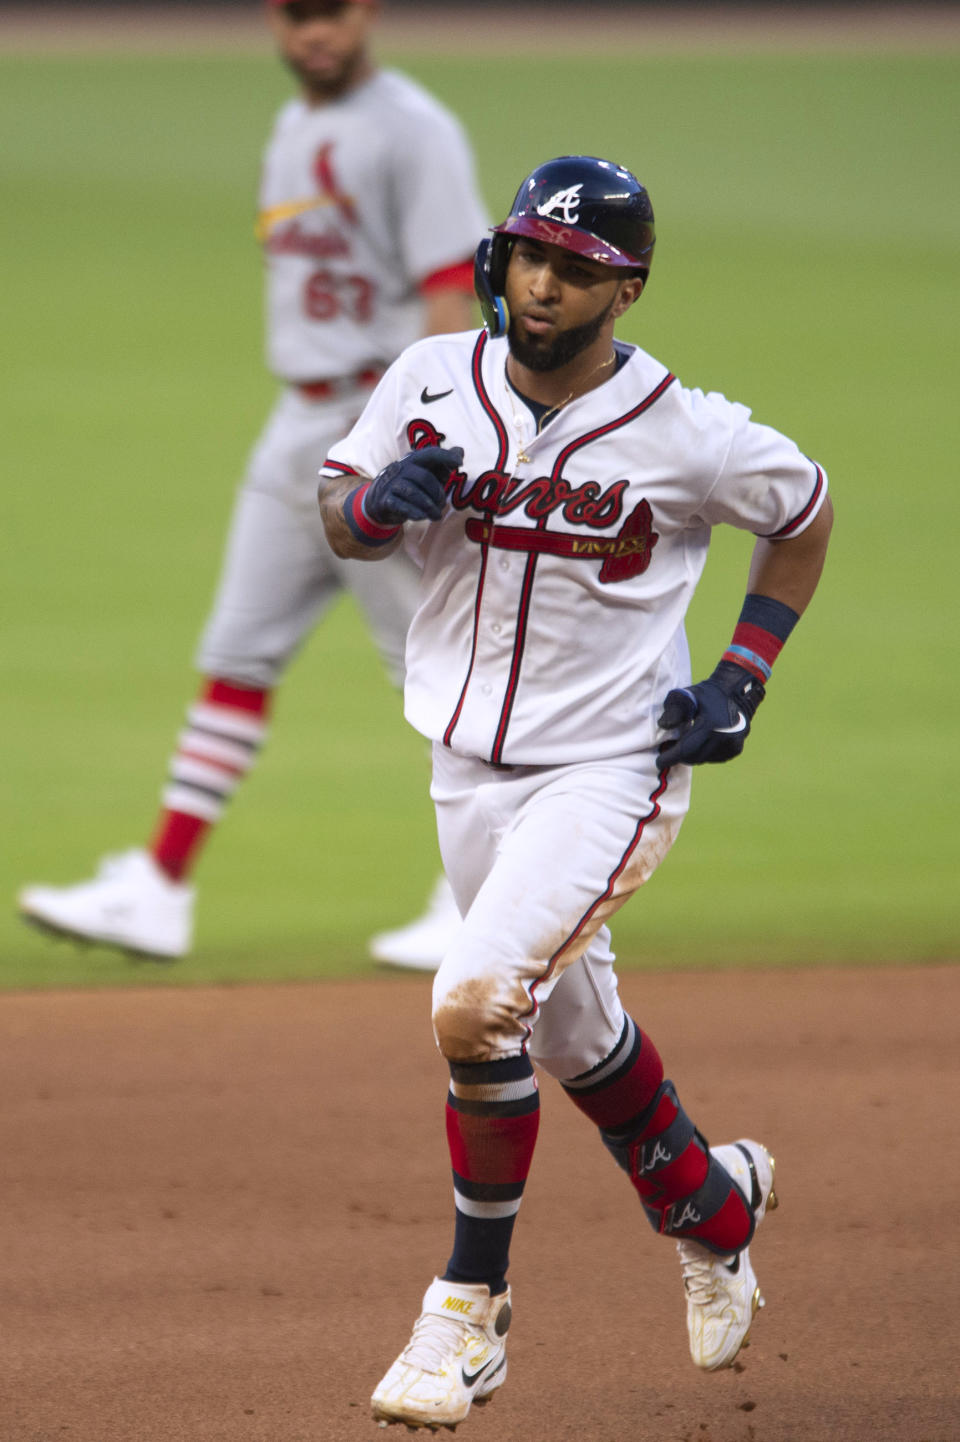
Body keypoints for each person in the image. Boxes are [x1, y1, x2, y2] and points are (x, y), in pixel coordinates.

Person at [317, 154, 833, 1430]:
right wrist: (377, 506)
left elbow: (806, 512)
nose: (543, 286)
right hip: (463, 770)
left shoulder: (688, 429)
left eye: (578, 270)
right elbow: (336, 509)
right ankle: (715, 1206)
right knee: (564, 1034)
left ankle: (467, 1308)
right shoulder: (430, 377)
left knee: (477, 999)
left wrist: (742, 674)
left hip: (611, 771)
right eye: (531, 256)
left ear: (628, 290)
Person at [17, 0, 490, 970]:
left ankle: (478, 894)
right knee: (239, 650)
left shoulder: (414, 130)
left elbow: (452, 291)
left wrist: (426, 437)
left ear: (368, 13)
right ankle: (159, 886)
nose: (313, 32)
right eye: (294, 14)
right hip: (296, 425)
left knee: (436, 668)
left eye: (331, 12)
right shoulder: (294, 126)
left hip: (377, 419)